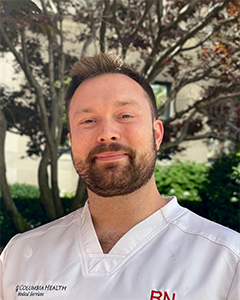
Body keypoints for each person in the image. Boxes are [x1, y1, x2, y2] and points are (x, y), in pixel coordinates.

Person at [0, 53, 239, 300]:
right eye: (88, 120)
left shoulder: (227, 263)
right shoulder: (19, 257)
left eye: (125, 115)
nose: (107, 134)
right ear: (71, 143)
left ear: (156, 134)